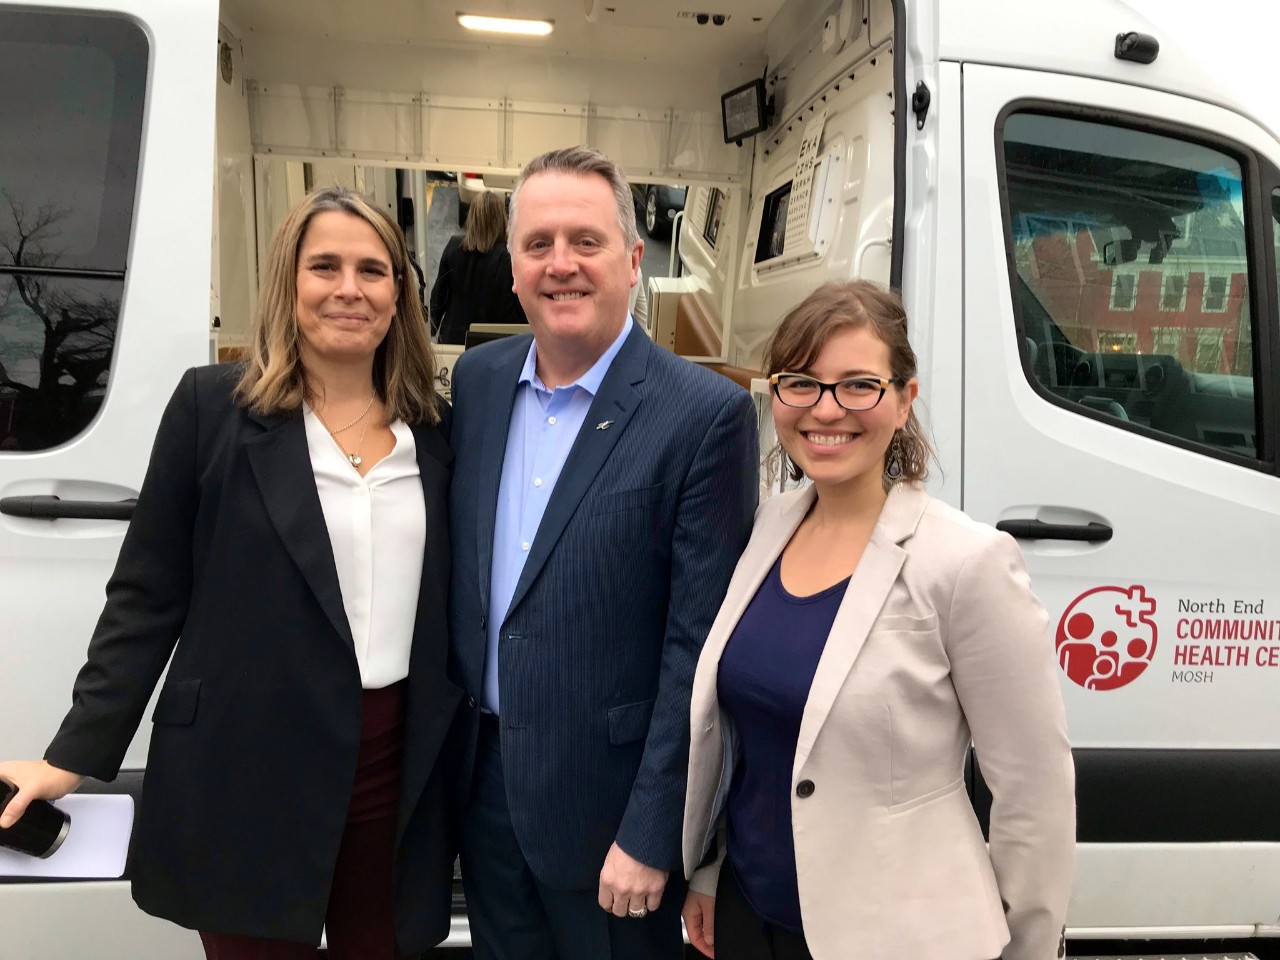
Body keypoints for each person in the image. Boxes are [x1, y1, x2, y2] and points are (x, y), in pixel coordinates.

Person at [0, 186, 461, 960]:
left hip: (393, 764)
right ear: (288, 283)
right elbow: (147, 595)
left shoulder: (441, 432)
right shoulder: (213, 410)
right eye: (325, 266)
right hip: (247, 761)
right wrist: (73, 754)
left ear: (400, 294)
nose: (349, 289)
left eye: (373, 270)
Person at [680, 281, 1075, 960]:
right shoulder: (768, 526)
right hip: (749, 915)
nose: (826, 409)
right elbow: (747, 748)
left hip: (893, 939)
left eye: (858, 385)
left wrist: (1025, 951)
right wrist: (711, 872)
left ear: (903, 399)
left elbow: (1034, 795)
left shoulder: (966, 562)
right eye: (801, 383)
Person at [446, 145, 759, 960]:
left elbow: (698, 650)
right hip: (483, 789)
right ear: (511, 268)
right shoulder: (477, 384)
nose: (562, 266)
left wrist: (655, 831)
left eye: (585, 242)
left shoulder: (705, 417)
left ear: (631, 260)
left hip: (610, 816)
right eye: (538, 244)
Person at [430, 189, 527, 344]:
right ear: (501, 219)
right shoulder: (505, 258)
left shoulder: (454, 247)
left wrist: (430, 329)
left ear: (472, 217)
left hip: (453, 338)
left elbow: (438, 297)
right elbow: (514, 308)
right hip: (491, 341)